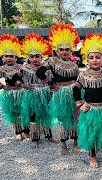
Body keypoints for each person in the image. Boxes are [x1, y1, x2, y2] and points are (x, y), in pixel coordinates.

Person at [73, 33, 102, 168]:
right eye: (91, 57)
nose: (95, 60)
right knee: (91, 134)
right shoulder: (83, 75)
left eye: (98, 57)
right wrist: (80, 103)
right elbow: (76, 90)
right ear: (86, 60)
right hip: (90, 110)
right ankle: (92, 156)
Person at [36, 24, 80, 155]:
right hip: (60, 94)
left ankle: (76, 143)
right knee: (62, 119)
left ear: (71, 50)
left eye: (67, 49)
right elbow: (39, 72)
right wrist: (49, 83)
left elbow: (78, 80)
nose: (64, 52)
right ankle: (63, 145)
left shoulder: (74, 64)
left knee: (75, 118)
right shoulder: (52, 62)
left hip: (73, 93)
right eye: (61, 49)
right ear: (57, 50)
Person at [14, 33, 57, 148]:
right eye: (32, 56)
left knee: (46, 115)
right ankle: (35, 138)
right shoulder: (24, 68)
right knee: (33, 116)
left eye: (37, 56)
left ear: (41, 56)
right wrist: (23, 85)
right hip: (31, 95)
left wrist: (51, 87)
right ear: (28, 57)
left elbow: (51, 80)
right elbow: (14, 78)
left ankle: (49, 136)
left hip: (45, 94)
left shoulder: (46, 67)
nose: (34, 59)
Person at [0, 34, 29, 141]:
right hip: (10, 94)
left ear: (16, 57)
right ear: (3, 58)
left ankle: (26, 131)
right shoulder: (1, 69)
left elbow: (27, 78)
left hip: (22, 92)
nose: (9, 58)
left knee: (25, 111)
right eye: (6, 56)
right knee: (14, 113)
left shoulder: (22, 68)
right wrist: (2, 86)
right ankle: (18, 132)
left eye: (11, 56)